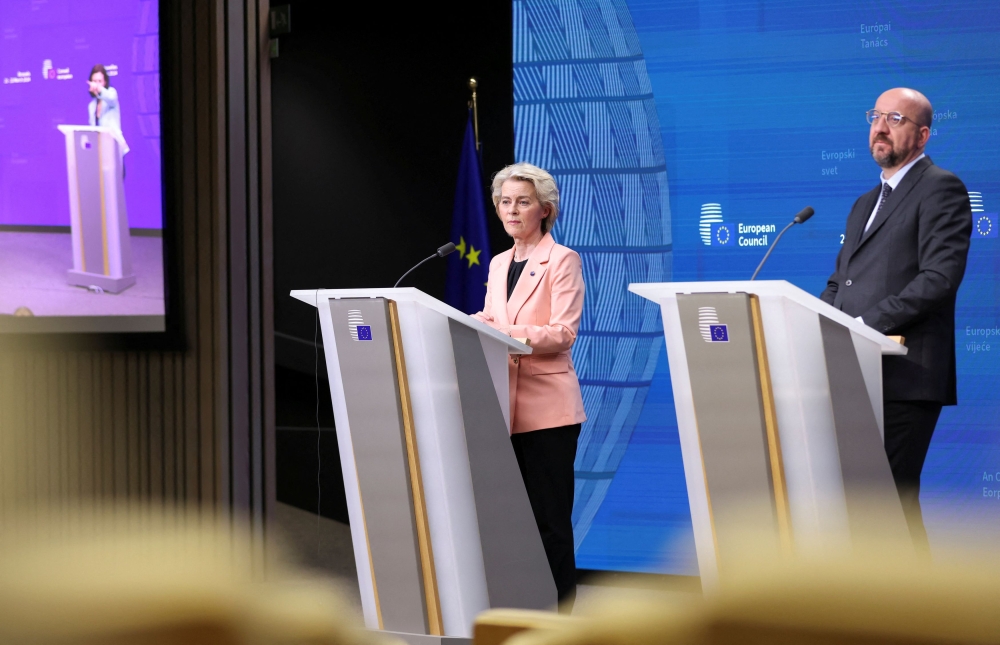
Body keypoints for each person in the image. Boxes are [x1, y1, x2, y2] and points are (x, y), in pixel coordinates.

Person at [821, 88, 972, 546]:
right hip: (857, 372)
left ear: (922, 135)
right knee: (864, 508)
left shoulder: (941, 187)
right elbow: (839, 282)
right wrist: (817, 322)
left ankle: (915, 614)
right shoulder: (864, 203)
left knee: (890, 504)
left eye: (896, 119)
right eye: (875, 116)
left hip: (904, 375)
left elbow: (939, 278)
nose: (881, 127)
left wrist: (865, 323)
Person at [472, 162, 586, 608]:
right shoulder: (499, 262)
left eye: (522, 201)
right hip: (503, 406)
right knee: (512, 522)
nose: (512, 210)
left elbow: (564, 332)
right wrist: (467, 325)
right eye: (505, 202)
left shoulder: (563, 259)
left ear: (545, 209)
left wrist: (506, 335)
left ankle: (559, 616)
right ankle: (521, 609)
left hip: (549, 412)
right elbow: (490, 317)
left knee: (550, 522)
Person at [87, 64, 129, 170]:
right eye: (94, 81)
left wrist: (99, 89)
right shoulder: (92, 106)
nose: (96, 84)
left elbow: (110, 98)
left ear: (105, 82)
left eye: (99, 81)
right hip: (100, 154)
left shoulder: (111, 93)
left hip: (115, 149)